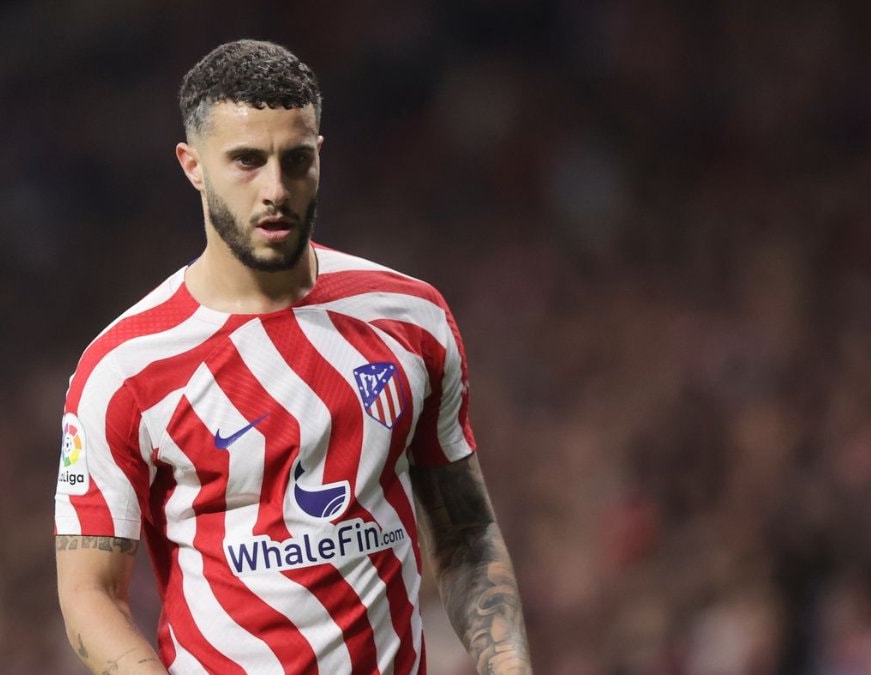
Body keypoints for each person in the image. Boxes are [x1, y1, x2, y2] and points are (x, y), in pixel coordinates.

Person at [53, 39, 531, 675]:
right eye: (246, 161)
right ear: (193, 165)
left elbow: (466, 533)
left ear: (319, 156)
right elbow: (90, 591)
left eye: (296, 159)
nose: (275, 189)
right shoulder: (124, 367)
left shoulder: (411, 319)